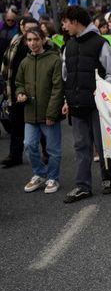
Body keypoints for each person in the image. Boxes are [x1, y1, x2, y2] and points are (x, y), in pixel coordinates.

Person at [60, 5, 111, 203]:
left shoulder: (101, 43)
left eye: (66, 21)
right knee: (80, 145)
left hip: (97, 105)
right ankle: (82, 186)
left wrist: (101, 89)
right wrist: (66, 100)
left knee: (103, 145)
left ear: (75, 21)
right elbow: (66, 75)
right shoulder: (68, 45)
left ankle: (108, 178)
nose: (64, 26)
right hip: (76, 105)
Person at [14, 28, 64, 194]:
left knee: (53, 150)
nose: (32, 43)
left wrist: (51, 113)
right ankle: (40, 174)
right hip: (30, 113)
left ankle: (53, 178)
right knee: (28, 144)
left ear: (43, 40)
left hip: (49, 114)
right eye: (29, 40)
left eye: (35, 39)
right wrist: (20, 93)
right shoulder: (24, 62)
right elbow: (19, 82)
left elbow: (58, 88)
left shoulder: (54, 60)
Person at [1, 17, 41, 167]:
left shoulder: (45, 44)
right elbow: (6, 65)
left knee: (41, 125)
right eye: (28, 28)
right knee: (16, 125)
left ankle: (46, 154)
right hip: (16, 90)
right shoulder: (15, 41)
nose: (30, 33)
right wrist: (5, 88)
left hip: (36, 92)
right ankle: (14, 155)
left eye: (34, 29)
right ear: (22, 26)